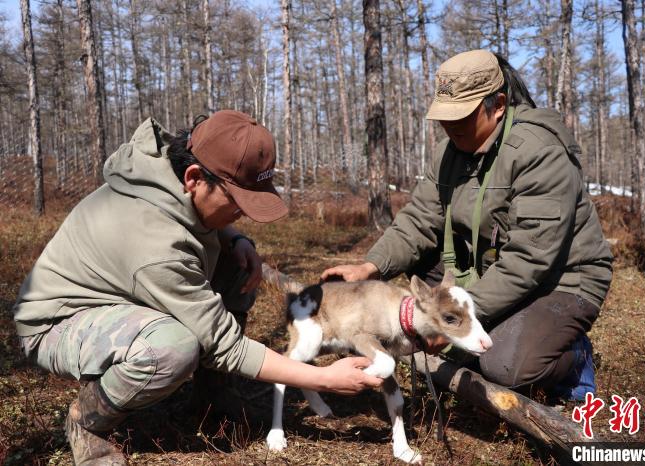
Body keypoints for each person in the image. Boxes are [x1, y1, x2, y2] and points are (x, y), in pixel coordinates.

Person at [13, 110, 383, 465]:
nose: (243, 213)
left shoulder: (168, 179)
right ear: (194, 178)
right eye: (237, 202)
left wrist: (236, 239)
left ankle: (212, 393)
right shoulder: (154, 243)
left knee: (236, 265)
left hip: (119, 300)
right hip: (56, 324)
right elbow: (225, 346)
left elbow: (190, 216)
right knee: (172, 347)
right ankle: (86, 420)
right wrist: (324, 379)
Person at [323, 50, 613, 401]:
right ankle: (494, 332)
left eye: (462, 115)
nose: (450, 126)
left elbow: (531, 258)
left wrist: (453, 320)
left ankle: (574, 357)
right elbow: (419, 220)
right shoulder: (451, 152)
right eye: (445, 116)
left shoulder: (539, 152)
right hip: (490, 267)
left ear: (499, 104)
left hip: (561, 281)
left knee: (504, 365)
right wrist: (371, 266)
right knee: (420, 281)